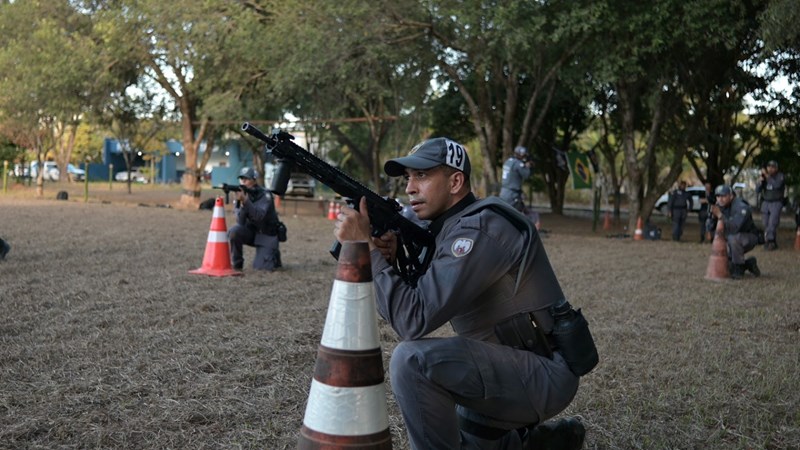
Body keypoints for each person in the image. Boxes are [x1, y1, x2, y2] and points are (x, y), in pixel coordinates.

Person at [335, 137, 593, 449]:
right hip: (507, 368)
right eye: (408, 178)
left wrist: (367, 253)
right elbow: (410, 301)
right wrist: (390, 260)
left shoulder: (480, 229)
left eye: (423, 176)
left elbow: (411, 321)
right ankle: (539, 442)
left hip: (543, 374)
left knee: (411, 360)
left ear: (456, 181)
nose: (410, 188)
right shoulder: (448, 230)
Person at [228, 167, 282, 271]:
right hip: (251, 232)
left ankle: (274, 254)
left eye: (246, 179)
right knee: (234, 232)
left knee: (261, 268)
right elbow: (240, 222)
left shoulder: (265, 195)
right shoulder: (240, 195)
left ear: (254, 180)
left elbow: (259, 216)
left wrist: (246, 201)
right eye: (241, 178)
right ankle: (237, 264)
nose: (243, 181)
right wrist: (242, 203)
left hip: (266, 234)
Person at [709, 185, 761, 279]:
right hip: (731, 240)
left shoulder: (741, 207)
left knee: (733, 238)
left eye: (724, 196)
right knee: (726, 266)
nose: (720, 199)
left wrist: (720, 215)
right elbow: (710, 228)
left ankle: (739, 267)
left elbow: (735, 228)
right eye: (718, 196)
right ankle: (748, 264)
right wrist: (712, 218)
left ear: (731, 196)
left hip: (748, 236)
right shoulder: (719, 206)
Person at [756, 160, 785, 250]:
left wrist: (767, 177)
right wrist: (760, 182)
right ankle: (771, 240)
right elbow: (757, 190)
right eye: (769, 167)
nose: (770, 169)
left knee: (772, 222)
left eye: (773, 167)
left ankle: (770, 241)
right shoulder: (764, 177)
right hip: (766, 202)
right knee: (766, 223)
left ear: (776, 168)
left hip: (776, 202)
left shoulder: (780, 176)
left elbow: (776, 185)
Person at [499, 146, 532, 212]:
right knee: (517, 215)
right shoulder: (518, 164)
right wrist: (528, 167)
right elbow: (527, 175)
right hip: (512, 195)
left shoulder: (508, 161)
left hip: (503, 192)